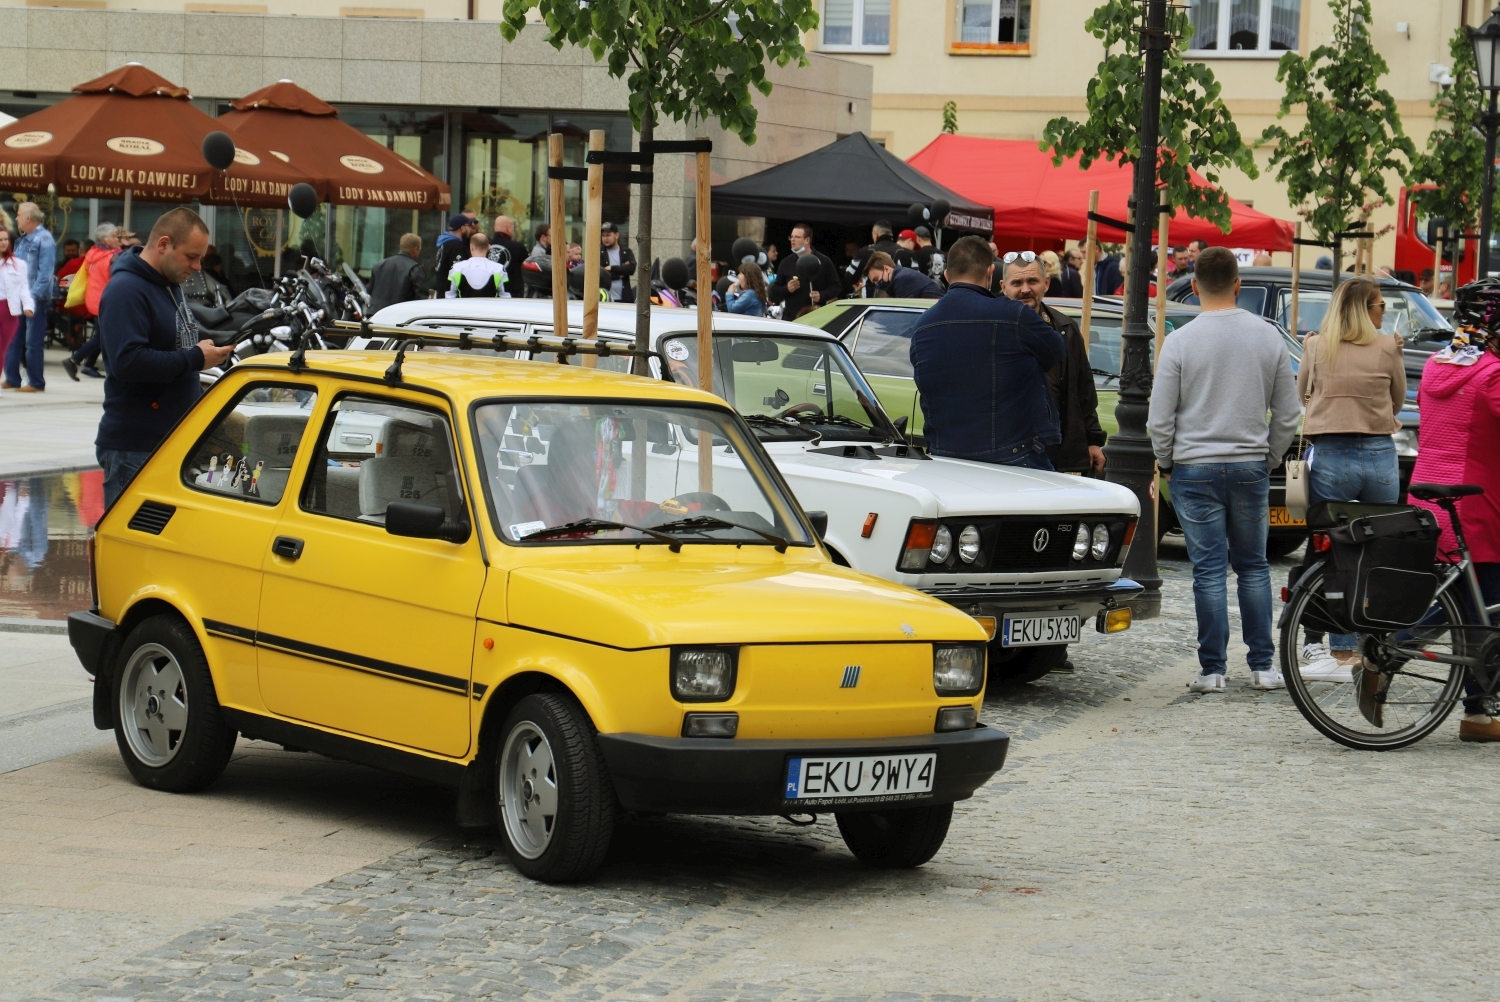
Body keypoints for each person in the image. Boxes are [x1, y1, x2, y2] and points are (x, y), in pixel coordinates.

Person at [1147, 247, 1300, 693]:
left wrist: (1168, 460)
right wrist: (1268, 457)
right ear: (1239, 285)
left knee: (1208, 569)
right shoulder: (1267, 336)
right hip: (1249, 462)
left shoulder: (1179, 341)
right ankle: (1263, 665)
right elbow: (1288, 414)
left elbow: (1161, 418)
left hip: (1194, 466)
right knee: (1253, 566)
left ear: (1193, 287)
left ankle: (1212, 669)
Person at [1294, 278, 1406, 677]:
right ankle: (1368, 640)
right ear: (1363, 310)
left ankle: (1317, 642)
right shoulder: (1388, 346)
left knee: (1328, 549)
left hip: (1333, 453)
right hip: (1378, 454)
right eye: (1378, 305)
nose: (1381, 311)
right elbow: (1398, 399)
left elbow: (1301, 394)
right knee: (1379, 552)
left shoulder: (1316, 345)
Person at [94, 207, 234, 507]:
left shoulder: (170, 284)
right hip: (135, 446)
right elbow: (127, 362)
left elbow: (172, 348)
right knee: (128, 550)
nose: (198, 266)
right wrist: (196, 358)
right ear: (163, 244)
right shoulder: (126, 290)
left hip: (169, 443)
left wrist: (203, 355)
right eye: (191, 256)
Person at [1405, 310, 1500, 741]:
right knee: (1483, 606)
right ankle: (1477, 713)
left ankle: (1479, 712)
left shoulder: (1436, 363)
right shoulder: (1493, 374)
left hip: (1431, 496)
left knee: (1468, 600)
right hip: (1478, 504)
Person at [911, 235, 1065, 469]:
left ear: (946, 275)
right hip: (1014, 456)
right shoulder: (1013, 315)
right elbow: (1056, 350)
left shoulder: (922, 326)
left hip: (944, 458)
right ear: (991, 272)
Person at [1000, 251, 1107, 475]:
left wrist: (1092, 440)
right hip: (1004, 450)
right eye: (1017, 282)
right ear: (1003, 287)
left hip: (1054, 453)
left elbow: (1083, 389)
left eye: (1033, 281)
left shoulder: (1065, 328)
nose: (1025, 289)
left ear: (1046, 283)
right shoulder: (990, 329)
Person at [1, 203, 55, 393]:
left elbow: (46, 273)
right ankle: (12, 377)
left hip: (34, 299)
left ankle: (36, 381)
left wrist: (30, 298)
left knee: (33, 341)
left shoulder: (44, 239)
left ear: (29, 218)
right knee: (13, 339)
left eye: (18, 215)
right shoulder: (23, 240)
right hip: (17, 297)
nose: (16, 218)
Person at [63, 223, 123, 381]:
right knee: (103, 338)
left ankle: (85, 364)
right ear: (104, 239)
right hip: (106, 301)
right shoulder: (112, 257)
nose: (118, 239)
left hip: (95, 299)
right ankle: (74, 360)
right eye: (114, 236)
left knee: (103, 337)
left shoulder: (93, 253)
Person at [769, 222, 840, 319]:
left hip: (818, 316)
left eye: (797, 237)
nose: (792, 240)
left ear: (807, 240)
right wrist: (787, 289)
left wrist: (822, 296)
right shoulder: (786, 262)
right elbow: (775, 290)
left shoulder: (824, 261)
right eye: (791, 237)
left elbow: (836, 287)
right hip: (792, 318)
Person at [0, 227, 35, 397]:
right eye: (0, 240)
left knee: (3, 350)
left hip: (10, 311)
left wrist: (28, 305)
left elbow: (23, 288)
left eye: (5, 239)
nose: (3, 243)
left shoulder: (18, 264)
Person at [368, 232, 427, 313]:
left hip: (376, 315)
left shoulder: (379, 265)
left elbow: (369, 290)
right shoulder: (415, 268)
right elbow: (421, 299)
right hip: (399, 317)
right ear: (415, 249)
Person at [448, 233, 510, 298]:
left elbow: (449, 296)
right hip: (490, 307)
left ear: (471, 247)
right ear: (488, 247)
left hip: (464, 307)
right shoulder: (499, 268)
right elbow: (506, 297)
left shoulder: (457, 268)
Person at [863, 250, 942, 299]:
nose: (877, 284)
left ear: (886, 269)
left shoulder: (901, 278)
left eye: (876, 279)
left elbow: (904, 313)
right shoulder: (901, 275)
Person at [490, 215, 527, 298]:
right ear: (508, 227)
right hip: (512, 295)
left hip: (489, 294)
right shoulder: (518, 247)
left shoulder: (485, 246)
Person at [433, 213, 474, 289]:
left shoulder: (444, 243)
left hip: (442, 292)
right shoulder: (457, 247)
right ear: (462, 228)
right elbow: (461, 274)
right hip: (450, 295)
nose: (470, 229)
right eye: (469, 226)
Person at [601, 221, 636, 302]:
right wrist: (620, 274)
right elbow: (600, 274)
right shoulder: (599, 252)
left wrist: (612, 268)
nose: (605, 238)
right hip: (605, 299)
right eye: (603, 236)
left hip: (624, 299)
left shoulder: (626, 251)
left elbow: (631, 269)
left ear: (616, 235)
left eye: (608, 235)